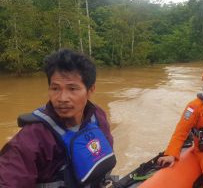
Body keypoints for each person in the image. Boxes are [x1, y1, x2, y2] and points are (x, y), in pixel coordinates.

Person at [0, 49, 116, 188]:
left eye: (72, 89)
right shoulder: (33, 136)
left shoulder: (97, 116)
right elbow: (9, 178)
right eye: (55, 89)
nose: (62, 98)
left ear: (90, 90)